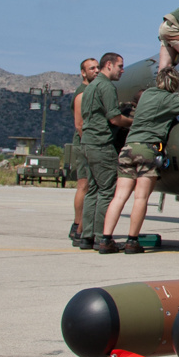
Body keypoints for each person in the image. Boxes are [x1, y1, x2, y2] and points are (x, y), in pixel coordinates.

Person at [98, 67, 179, 254]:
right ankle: (132, 241)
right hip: (148, 149)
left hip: (128, 147)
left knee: (119, 197)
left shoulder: (145, 95)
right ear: (174, 84)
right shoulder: (170, 99)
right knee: (141, 197)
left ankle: (106, 239)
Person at [78, 53, 131, 250]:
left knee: (92, 190)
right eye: (120, 66)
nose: (122, 70)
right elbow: (115, 119)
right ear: (109, 65)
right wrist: (134, 122)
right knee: (107, 190)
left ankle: (87, 236)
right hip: (101, 144)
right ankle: (102, 237)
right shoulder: (106, 86)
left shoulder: (90, 87)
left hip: (87, 143)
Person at [68, 57, 98, 245]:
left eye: (97, 67)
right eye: (91, 68)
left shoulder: (92, 91)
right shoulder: (83, 93)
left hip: (87, 143)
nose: (95, 71)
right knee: (83, 185)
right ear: (83, 72)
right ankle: (78, 225)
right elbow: (79, 125)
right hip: (84, 143)